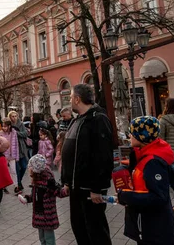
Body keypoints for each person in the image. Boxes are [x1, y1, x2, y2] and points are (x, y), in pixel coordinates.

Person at [61, 84, 113, 245]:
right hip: (76, 187)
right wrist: (66, 181)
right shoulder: (78, 120)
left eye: (70, 97)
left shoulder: (98, 119)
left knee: (96, 231)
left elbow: (103, 157)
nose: (70, 100)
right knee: (79, 228)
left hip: (90, 189)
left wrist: (97, 188)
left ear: (77, 99)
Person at [118, 116, 174, 245]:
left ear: (141, 136)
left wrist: (126, 196)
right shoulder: (144, 156)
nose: (129, 136)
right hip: (149, 221)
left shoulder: (153, 161)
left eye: (132, 133)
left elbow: (159, 197)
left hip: (155, 225)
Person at [19, 154, 69, 245]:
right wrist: (27, 199)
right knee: (42, 238)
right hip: (39, 215)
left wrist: (67, 189)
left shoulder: (49, 182)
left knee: (49, 238)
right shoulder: (36, 182)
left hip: (47, 215)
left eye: (30, 167)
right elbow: (34, 196)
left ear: (35, 170)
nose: (29, 169)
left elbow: (59, 193)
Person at [8, 110, 28, 194]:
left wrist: (17, 133)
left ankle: (19, 181)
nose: (14, 118)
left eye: (15, 116)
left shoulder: (21, 124)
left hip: (21, 148)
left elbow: (25, 133)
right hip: (13, 149)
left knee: (24, 167)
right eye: (12, 116)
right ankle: (18, 184)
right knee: (16, 169)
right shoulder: (9, 125)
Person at [0, 118, 18, 194]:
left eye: (5, 126)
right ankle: (4, 186)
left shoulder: (14, 133)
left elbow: (16, 145)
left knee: (13, 171)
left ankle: (16, 186)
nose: (4, 128)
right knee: (5, 171)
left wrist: (16, 156)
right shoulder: (1, 133)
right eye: (3, 126)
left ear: (9, 126)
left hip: (12, 155)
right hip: (4, 155)